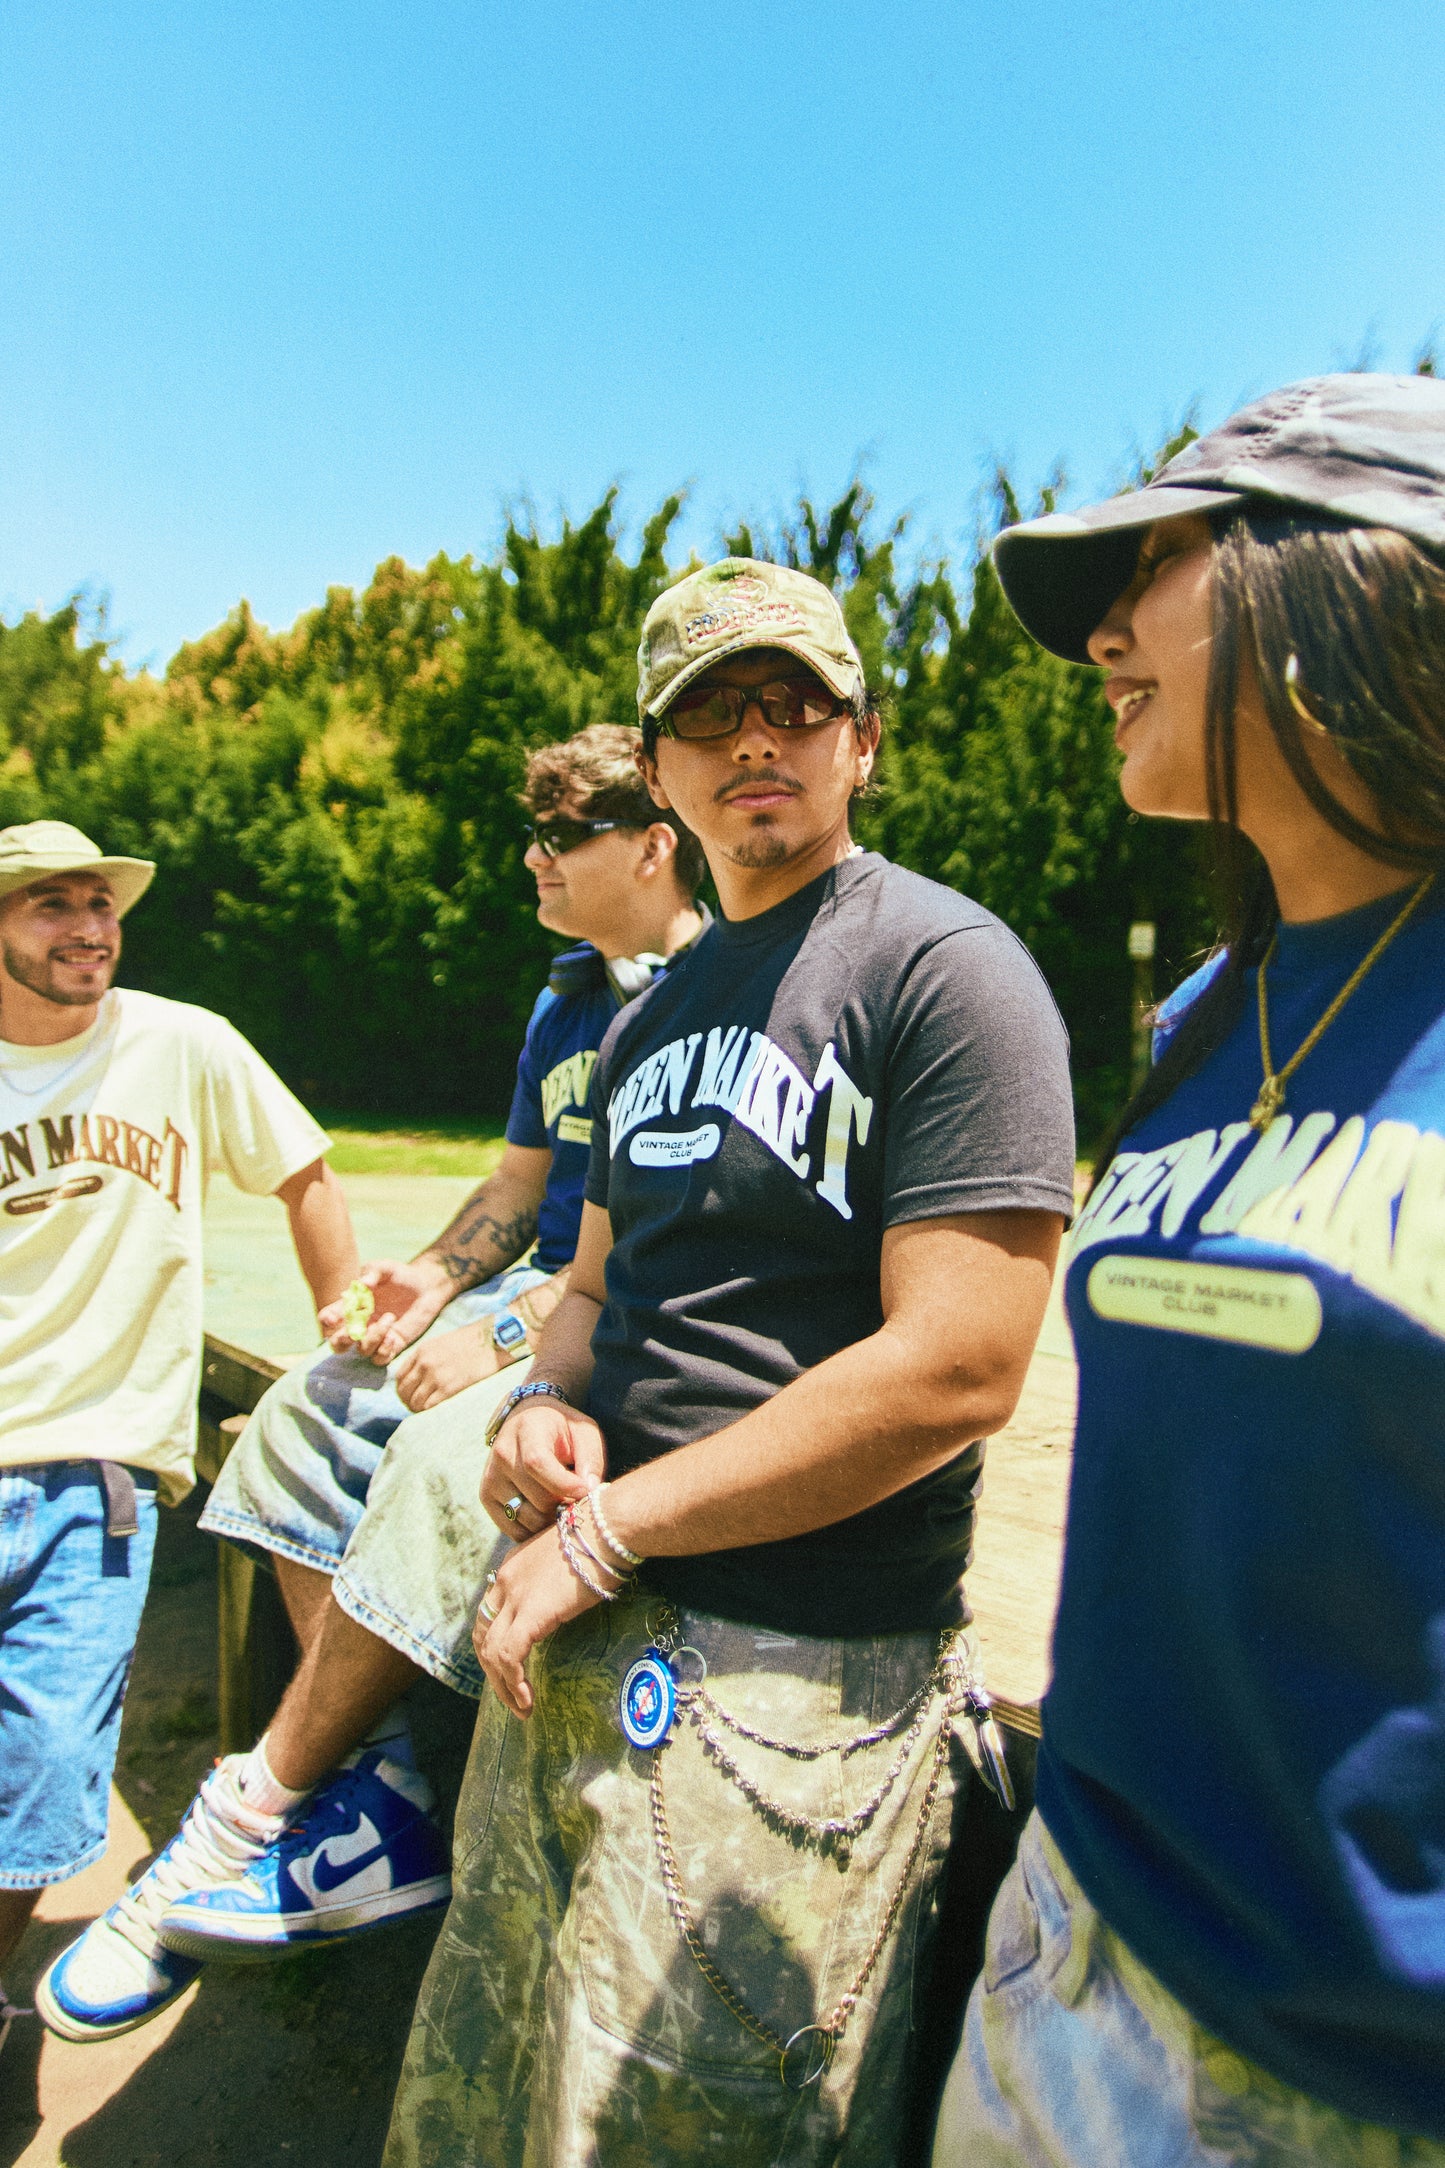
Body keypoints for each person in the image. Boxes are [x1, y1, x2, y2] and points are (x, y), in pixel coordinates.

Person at [385, 557, 1075, 2168]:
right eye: (709, 712)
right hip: (577, 1615)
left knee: (690, 2127)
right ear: (660, 766)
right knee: (503, 2089)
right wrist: (545, 1409)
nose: (755, 738)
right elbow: (596, 1288)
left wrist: (612, 1530)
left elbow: (956, 1372)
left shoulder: (945, 970)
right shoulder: (646, 1016)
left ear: (863, 740)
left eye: (796, 704)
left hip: (804, 1660)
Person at [933, 374, 1445, 2164]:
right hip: (1069, 1936)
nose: (1097, 636)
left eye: (1149, 565)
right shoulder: (1200, 1012)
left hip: (1360, 2066)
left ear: (1345, 576)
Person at [38, 726, 706, 2040]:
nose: (530, 858)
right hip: (538, 1292)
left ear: (650, 842)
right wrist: (434, 1283)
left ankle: (267, 1808)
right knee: (299, 1409)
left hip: (626, 1314)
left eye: (555, 836)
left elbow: (677, 1243)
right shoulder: (569, 994)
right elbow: (518, 1187)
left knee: (427, 1441)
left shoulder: (717, 994)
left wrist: (508, 1349)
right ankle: (376, 1787)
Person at [0, 821, 357, 2037]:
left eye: (99, 904)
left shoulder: (180, 1040)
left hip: (98, 1468)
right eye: (52, 905)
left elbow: (303, 1168)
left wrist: (339, 1329)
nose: (88, 926)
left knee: (47, 1771)